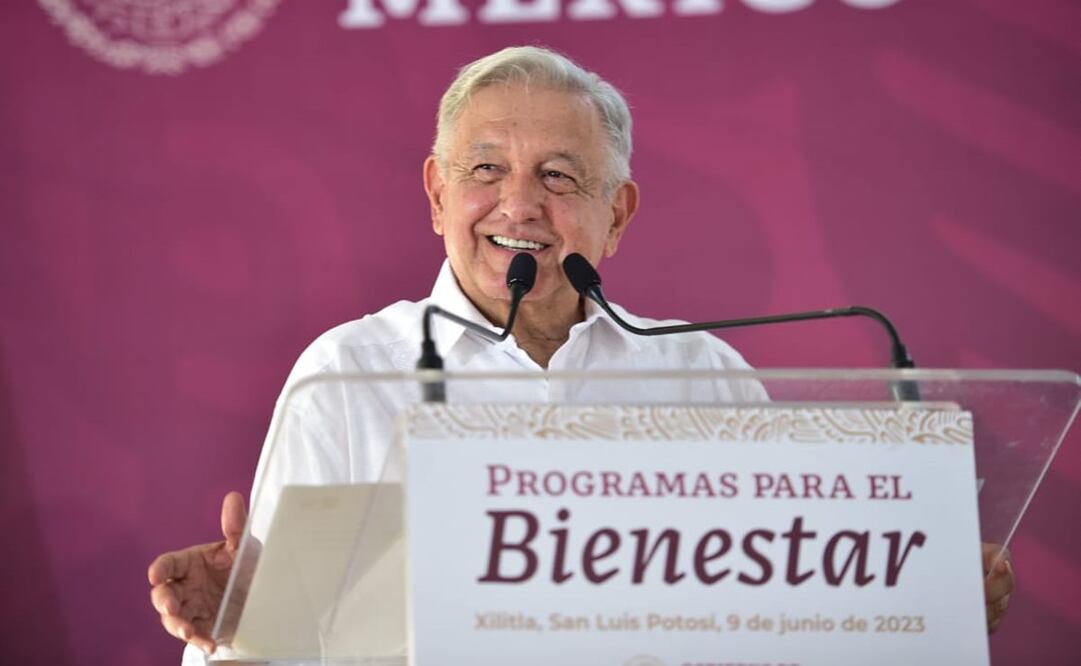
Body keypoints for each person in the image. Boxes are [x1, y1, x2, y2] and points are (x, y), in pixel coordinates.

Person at [147, 46, 1014, 659]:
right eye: (484, 170)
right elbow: (272, 640)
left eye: (558, 177)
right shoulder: (349, 373)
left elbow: (783, 618)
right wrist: (243, 621)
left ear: (618, 214)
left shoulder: (700, 374)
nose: (516, 205)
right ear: (437, 193)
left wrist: (921, 603)